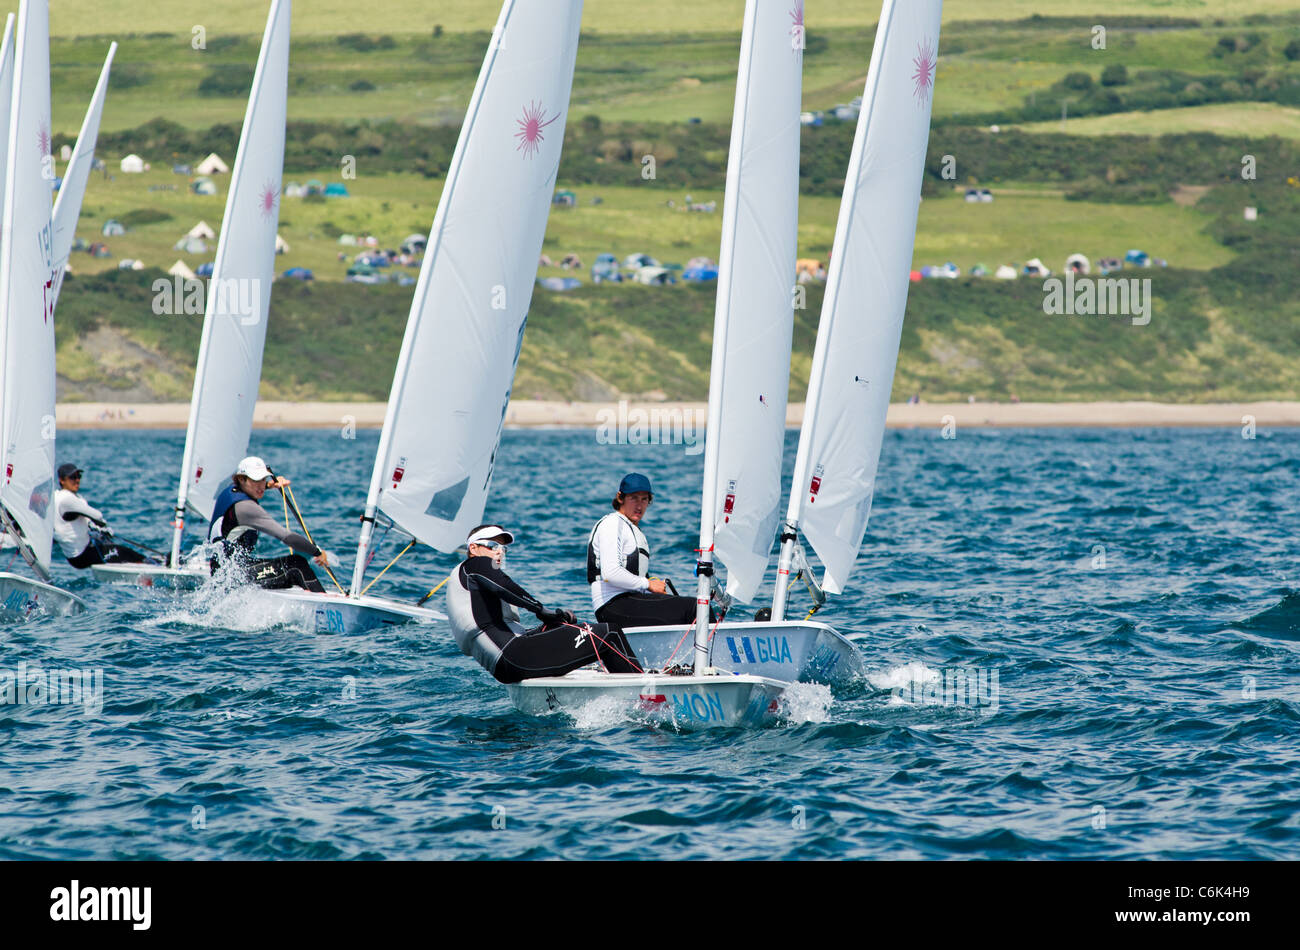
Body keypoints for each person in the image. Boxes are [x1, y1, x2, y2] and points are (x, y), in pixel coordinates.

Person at [447, 524, 641, 684]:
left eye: (503, 548)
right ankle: (644, 692)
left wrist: (549, 623)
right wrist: (540, 610)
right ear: (473, 548)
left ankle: (612, 673)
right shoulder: (475, 565)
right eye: (492, 545)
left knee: (561, 625)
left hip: (506, 666)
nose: (499, 552)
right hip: (515, 656)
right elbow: (504, 587)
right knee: (610, 633)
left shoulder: (467, 579)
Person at [587, 473, 706, 629]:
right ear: (620, 498)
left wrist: (655, 591)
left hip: (630, 601)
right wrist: (648, 584)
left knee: (690, 607)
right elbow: (610, 573)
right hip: (612, 605)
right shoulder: (612, 523)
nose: (639, 505)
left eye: (644, 499)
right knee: (696, 608)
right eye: (634, 498)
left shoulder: (633, 530)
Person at [208, 456, 330, 592]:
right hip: (233, 576)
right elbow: (287, 537)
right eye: (255, 480)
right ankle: (326, 606)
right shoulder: (246, 508)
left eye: (263, 479)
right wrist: (317, 551)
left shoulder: (230, 490)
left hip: (222, 570)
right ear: (242, 479)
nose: (261, 485)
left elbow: (255, 486)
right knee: (296, 565)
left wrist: (270, 485)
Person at [54, 463, 155, 568]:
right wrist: (104, 527)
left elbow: (81, 518)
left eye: (79, 476)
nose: (77, 480)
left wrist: (93, 526)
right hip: (83, 555)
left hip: (76, 556)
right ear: (62, 480)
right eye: (72, 477)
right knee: (124, 552)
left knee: (114, 548)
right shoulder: (68, 499)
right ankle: (153, 566)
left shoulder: (56, 496)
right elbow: (97, 516)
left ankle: (149, 563)